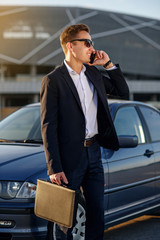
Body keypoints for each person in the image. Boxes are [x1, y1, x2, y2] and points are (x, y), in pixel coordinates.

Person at [40, 23, 129, 240]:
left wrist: (107, 64)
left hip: (94, 154)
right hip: (69, 158)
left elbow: (122, 91)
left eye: (92, 43)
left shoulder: (93, 74)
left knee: (96, 214)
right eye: (87, 42)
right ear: (71, 46)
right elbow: (48, 125)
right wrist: (54, 167)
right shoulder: (53, 80)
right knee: (64, 220)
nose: (92, 47)